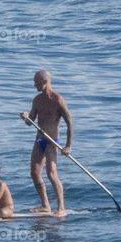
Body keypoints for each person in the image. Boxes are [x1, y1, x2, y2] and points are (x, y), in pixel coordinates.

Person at [20, 69, 73, 217]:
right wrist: (26, 117)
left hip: (52, 141)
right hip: (40, 139)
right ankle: (45, 205)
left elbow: (70, 123)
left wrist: (68, 146)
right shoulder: (37, 100)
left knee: (51, 173)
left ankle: (61, 207)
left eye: (36, 83)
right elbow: (30, 122)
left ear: (45, 82)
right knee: (34, 173)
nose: (34, 85)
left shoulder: (58, 100)